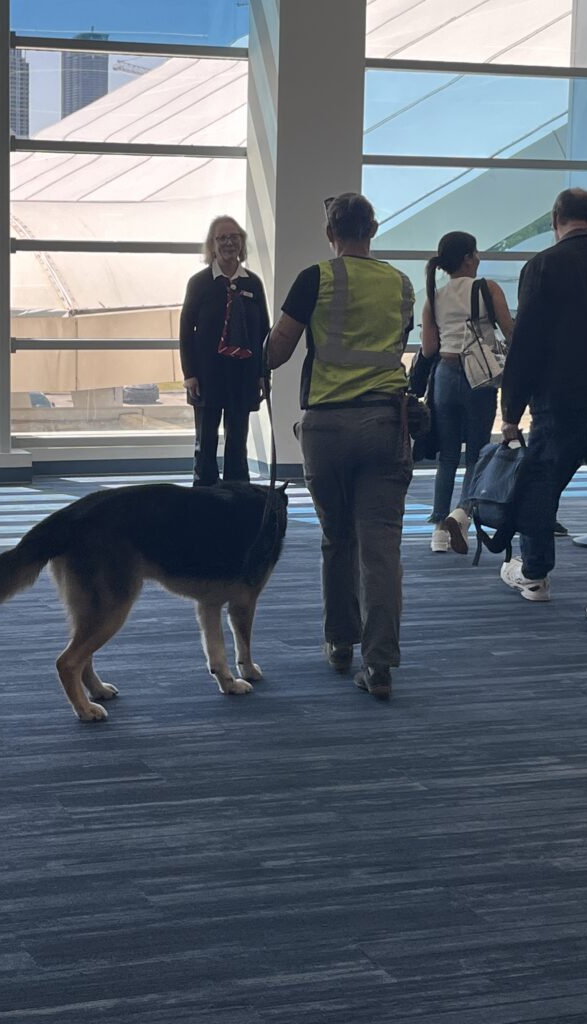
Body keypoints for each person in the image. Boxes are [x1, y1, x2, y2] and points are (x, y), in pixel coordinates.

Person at [266, 192, 414, 699]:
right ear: (371, 230)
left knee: (337, 538)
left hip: (327, 429)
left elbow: (278, 352)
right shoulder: (400, 283)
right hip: (384, 426)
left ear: (332, 233)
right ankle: (380, 665)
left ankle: (339, 641)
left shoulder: (317, 278)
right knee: (381, 546)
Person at [499, 187, 587, 616]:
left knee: (538, 490)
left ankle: (536, 573)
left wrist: (511, 411)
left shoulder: (542, 266)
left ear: (556, 220)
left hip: (560, 402)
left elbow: (526, 345)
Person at [421, 232, 514, 555]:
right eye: (476, 253)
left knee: (447, 457)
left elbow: (429, 347)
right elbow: (509, 329)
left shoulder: (435, 295)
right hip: (479, 376)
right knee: (476, 453)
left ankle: (437, 531)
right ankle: (460, 515)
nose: (479, 258)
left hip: (445, 375)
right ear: (467, 258)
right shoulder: (486, 288)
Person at [179, 216, 269, 486]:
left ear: (241, 243)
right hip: (207, 375)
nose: (229, 242)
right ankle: (203, 497)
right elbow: (186, 330)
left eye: (234, 237)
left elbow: (263, 332)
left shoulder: (253, 284)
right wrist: (189, 373)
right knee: (205, 441)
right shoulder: (199, 283)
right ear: (212, 245)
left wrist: (264, 374)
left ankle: (236, 495)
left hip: (243, 375)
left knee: (238, 441)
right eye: (222, 238)